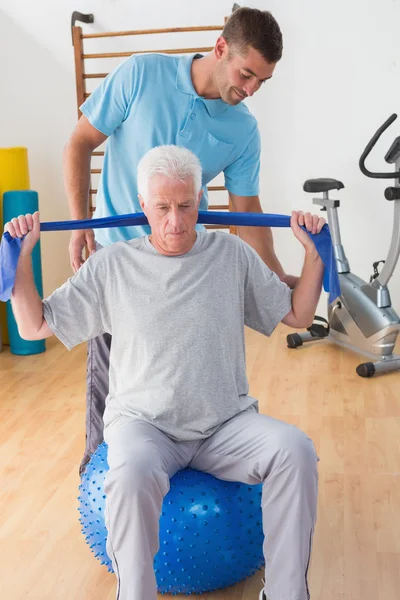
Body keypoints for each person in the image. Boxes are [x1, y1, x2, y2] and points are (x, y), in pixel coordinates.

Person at [7, 145, 325, 600]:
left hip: (225, 422)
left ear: (200, 201)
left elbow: (296, 315)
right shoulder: (112, 265)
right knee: (130, 472)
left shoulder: (231, 254)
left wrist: (314, 254)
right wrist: (21, 255)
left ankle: (288, 593)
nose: (175, 221)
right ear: (143, 207)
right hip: (144, 424)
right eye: (162, 208)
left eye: (185, 206)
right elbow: (33, 325)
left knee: (294, 450)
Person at [63, 6, 299, 472]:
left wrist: (275, 277)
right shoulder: (140, 74)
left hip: (188, 272)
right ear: (219, 49)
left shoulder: (243, 129)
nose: (251, 89)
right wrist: (80, 222)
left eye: (261, 82)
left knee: (187, 396)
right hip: (120, 267)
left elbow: (246, 214)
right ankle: (105, 496)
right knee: (111, 395)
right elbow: (79, 142)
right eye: (247, 74)